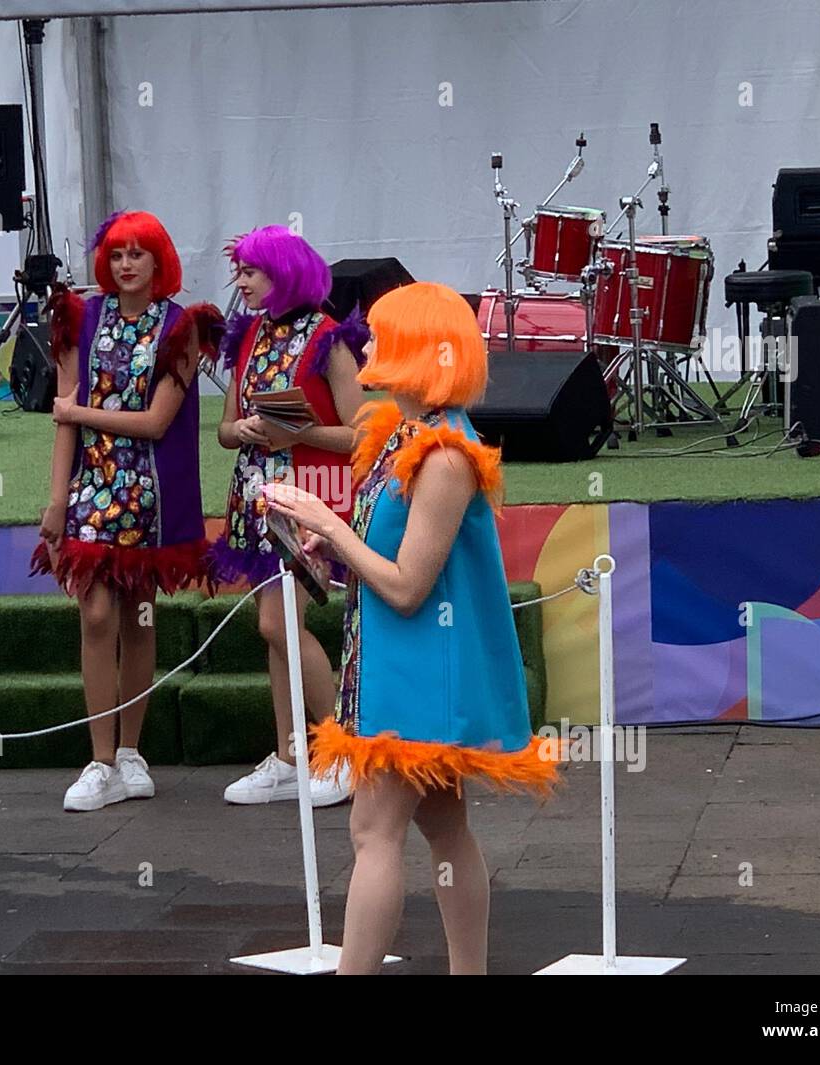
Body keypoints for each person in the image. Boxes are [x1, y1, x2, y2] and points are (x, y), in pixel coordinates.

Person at [263, 281, 562, 974]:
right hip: (403, 666)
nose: (364, 341)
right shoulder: (404, 433)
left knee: (373, 829)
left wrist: (329, 526)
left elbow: (405, 585)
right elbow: (389, 560)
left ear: (417, 350)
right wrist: (331, 546)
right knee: (444, 826)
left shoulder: (446, 453)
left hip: (416, 671)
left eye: (380, 332)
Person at [35, 210, 221, 811]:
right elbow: (64, 418)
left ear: (159, 260)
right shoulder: (80, 318)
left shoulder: (181, 329)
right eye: (117, 254)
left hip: (151, 496)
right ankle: (100, 758)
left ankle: (132, 752)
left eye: (138, 254)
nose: (126, 264)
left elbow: (155, 422)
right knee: (95, 615)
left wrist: (78, 413)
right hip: (92, 489)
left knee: (140, 614)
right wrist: (57, 499)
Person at [210, 225, 367, 807]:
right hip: (255, 494)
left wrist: (292, 431)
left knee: (280, 626)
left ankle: (340, 750)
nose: (241, 282)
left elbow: (360, 434)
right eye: (240, 271)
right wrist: (245, 429)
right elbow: (225, 430)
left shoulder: (329, 338)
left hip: (310, 494)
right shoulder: (246, 335)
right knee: (273, 631)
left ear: (284, 272)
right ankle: (288, 754)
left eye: (251, 271)